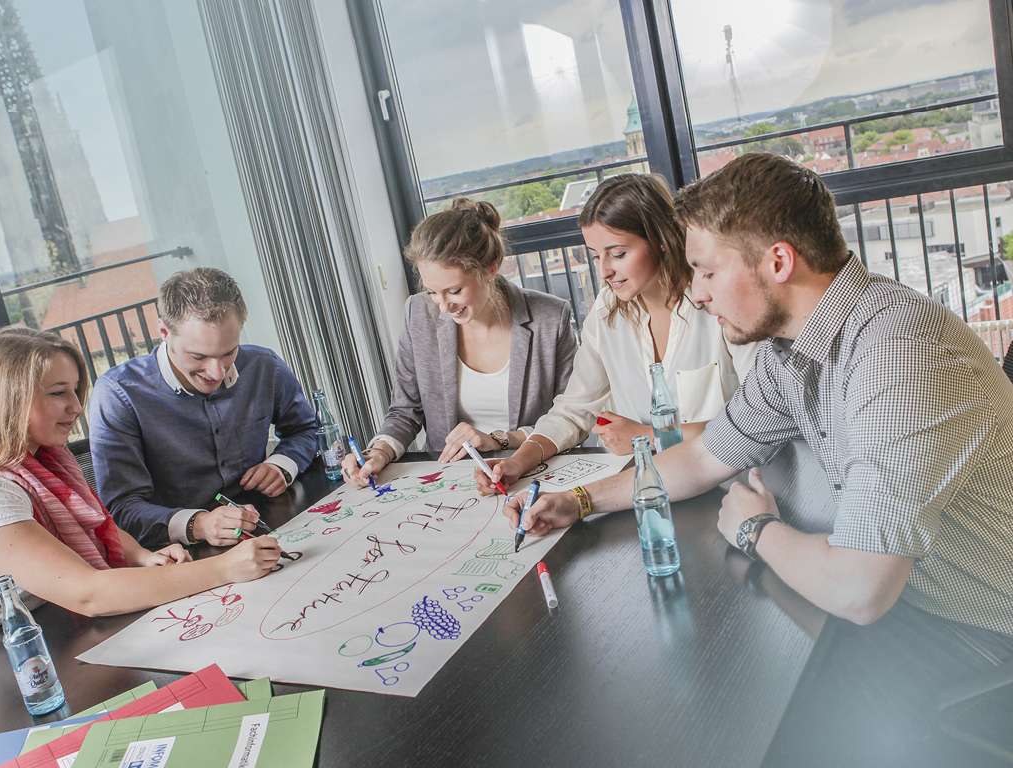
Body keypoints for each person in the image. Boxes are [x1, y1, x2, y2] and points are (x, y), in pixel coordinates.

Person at [507, 153, 1013, 761]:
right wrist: (580, 500)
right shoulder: (793, 349)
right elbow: (703, 458)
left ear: (777, 261)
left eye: (707, 271)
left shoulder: (899, 353)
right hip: (914, 596)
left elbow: (860, 590)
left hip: (978, 623)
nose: (695, 291)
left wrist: (755, 527)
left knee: (763, 726)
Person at [0, 328, 281, 673]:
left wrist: (142, 557)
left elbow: (96, 523)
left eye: (74, 390)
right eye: (57, 393)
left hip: (45, 636)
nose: (76, 406)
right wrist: (224, 569)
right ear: (10, 399)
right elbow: (88, 593)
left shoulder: (41, 459)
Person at [476, 173, 755, 495]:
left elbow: (761, 414)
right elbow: (574, 409)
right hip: (641, 487)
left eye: (618, 254)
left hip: (729, 486)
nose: (604, 271)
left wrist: (650, 435)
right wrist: (518, 461)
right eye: (595, 255)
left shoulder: (717, 303)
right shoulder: (606, 310)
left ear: (661, 240)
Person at [342, 198, 576, 487]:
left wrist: (499, 440)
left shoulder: (550, 318)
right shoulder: (418, 313)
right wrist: (377, 453)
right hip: (450, 482)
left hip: (531, 474)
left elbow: (570, 418)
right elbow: (405, 411)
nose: (443, 307)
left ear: (490, 269)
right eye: (432, 292)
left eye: (454, 290)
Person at [88, 268, 319, 547]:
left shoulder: (264, 366)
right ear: (164, 332)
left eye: (229, 353)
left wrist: (283, 464)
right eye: (198, 356)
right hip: (181, 552)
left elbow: (305, 429)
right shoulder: (118, 394)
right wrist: (199, 524)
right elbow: (122, 508)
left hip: (269, 521)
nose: (217, 373)